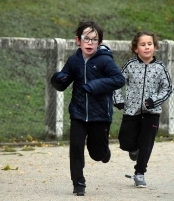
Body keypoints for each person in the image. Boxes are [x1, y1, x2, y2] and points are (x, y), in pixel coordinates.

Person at [50, 20, 125, 196]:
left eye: (94, 39)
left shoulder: (105, 60)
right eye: (86, 38)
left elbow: (119, 80)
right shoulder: (74, 60)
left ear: (99, 42)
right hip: (78, 112)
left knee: (97, 154)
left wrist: (93, 86)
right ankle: (78, 183)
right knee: (76, 147)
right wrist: (58, 79)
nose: (90, 43)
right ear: (78, 40)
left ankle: (104, 153)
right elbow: (64, 82)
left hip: (100, 114)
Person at [113, 30, 173, 188]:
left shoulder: (160, 67)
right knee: (125, 141)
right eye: (143, 44)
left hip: (151, 114)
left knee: (146, 143)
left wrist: (154, 101)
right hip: (131, 111)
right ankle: (133, 150)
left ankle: (140, 173)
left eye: (150, 44)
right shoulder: (130, 65)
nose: (147, 47)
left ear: (154, 47)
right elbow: (117, 82)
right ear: (135, 48)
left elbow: (167, 88)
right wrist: (118, 100)